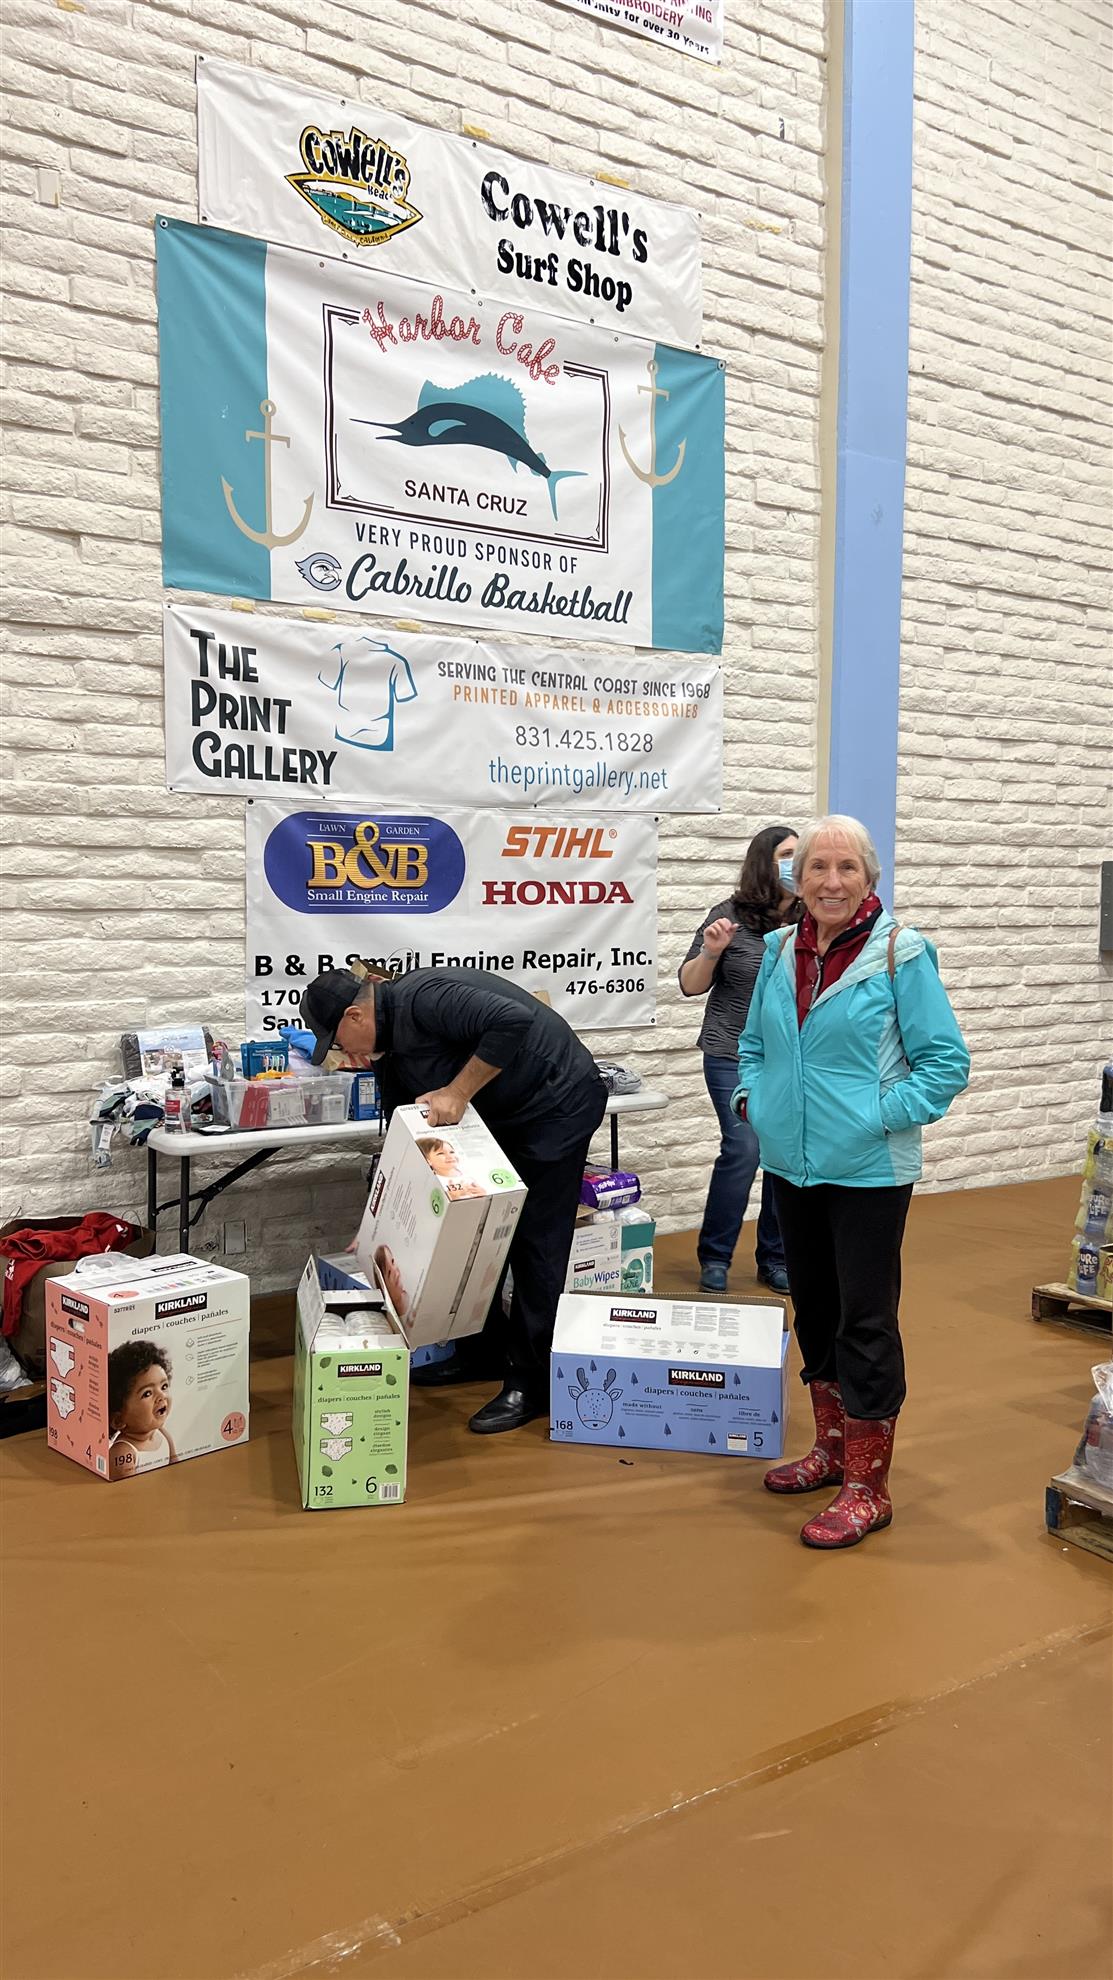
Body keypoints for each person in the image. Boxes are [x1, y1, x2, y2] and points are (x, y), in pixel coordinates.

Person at [733, 815, 969, 1550]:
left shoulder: (901, 953)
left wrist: (877, 1116)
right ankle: (831, 1450)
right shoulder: (778, 951)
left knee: (864, 1319)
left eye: (846, 869)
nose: (830, 882)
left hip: (869, 1170)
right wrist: (752, 1102)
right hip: (791, 1164)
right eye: (816, 868)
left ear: (869, 878)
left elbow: (945, 1063)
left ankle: (869, 1487)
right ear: (796, 879)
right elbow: (752, 1046)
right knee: (812, 1306)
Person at [300, 966, 608, 1434]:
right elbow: (405, 1139)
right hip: (502, 1115)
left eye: (339, 1042)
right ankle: (482, 1352)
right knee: (472, 1233)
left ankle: (532, 1382)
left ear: (355, 1015)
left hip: (555, 1104)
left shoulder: (426, 997)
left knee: (534, 1241)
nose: (345, 1054)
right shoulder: (387, 1050)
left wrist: (458, 1091)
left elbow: (512, 1020)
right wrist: (379, 1224)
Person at [679, 825, 800, 1295]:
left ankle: (776, 1257)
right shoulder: (728, 916)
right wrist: (712, 952)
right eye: (787, 854)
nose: (796, 863)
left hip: (788, 1059)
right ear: (763, 863)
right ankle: (715, 1256)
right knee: (744, 1148)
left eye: (801, 854)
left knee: (782, 1154)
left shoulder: (813, 917)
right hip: (730, 1053)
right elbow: (689, 985)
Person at [107, 1341, 177, 1480]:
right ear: (119, 1420)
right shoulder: (123, 1453)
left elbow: (176, 1470)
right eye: (147, 1393)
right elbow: (125, 1492)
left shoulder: (163, 1434)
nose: (161, 1396)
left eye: (163, 1386)